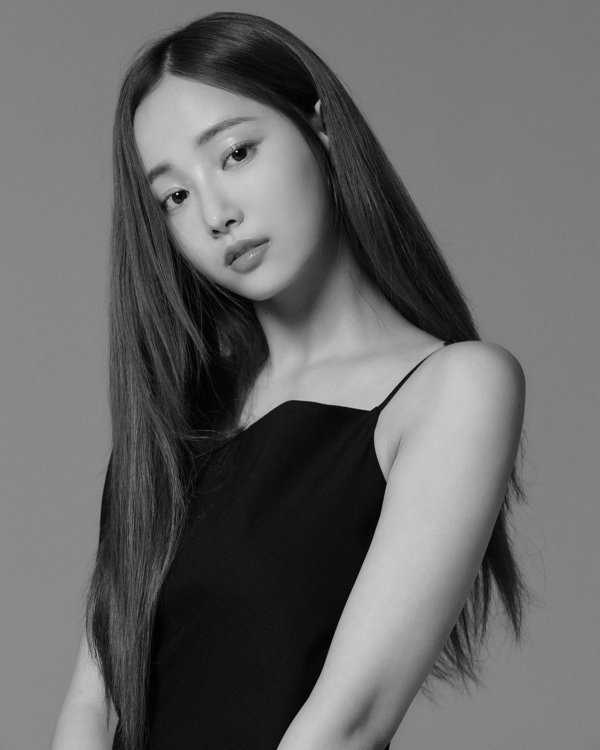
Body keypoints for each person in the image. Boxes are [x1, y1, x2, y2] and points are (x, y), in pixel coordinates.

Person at [51, 11, 529, 750]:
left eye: (236, 153)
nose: (216, 214)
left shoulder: (454, 389)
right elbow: (91, 701)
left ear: (320, 128)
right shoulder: (176, 417)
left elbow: (346, 725)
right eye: (174, 196)